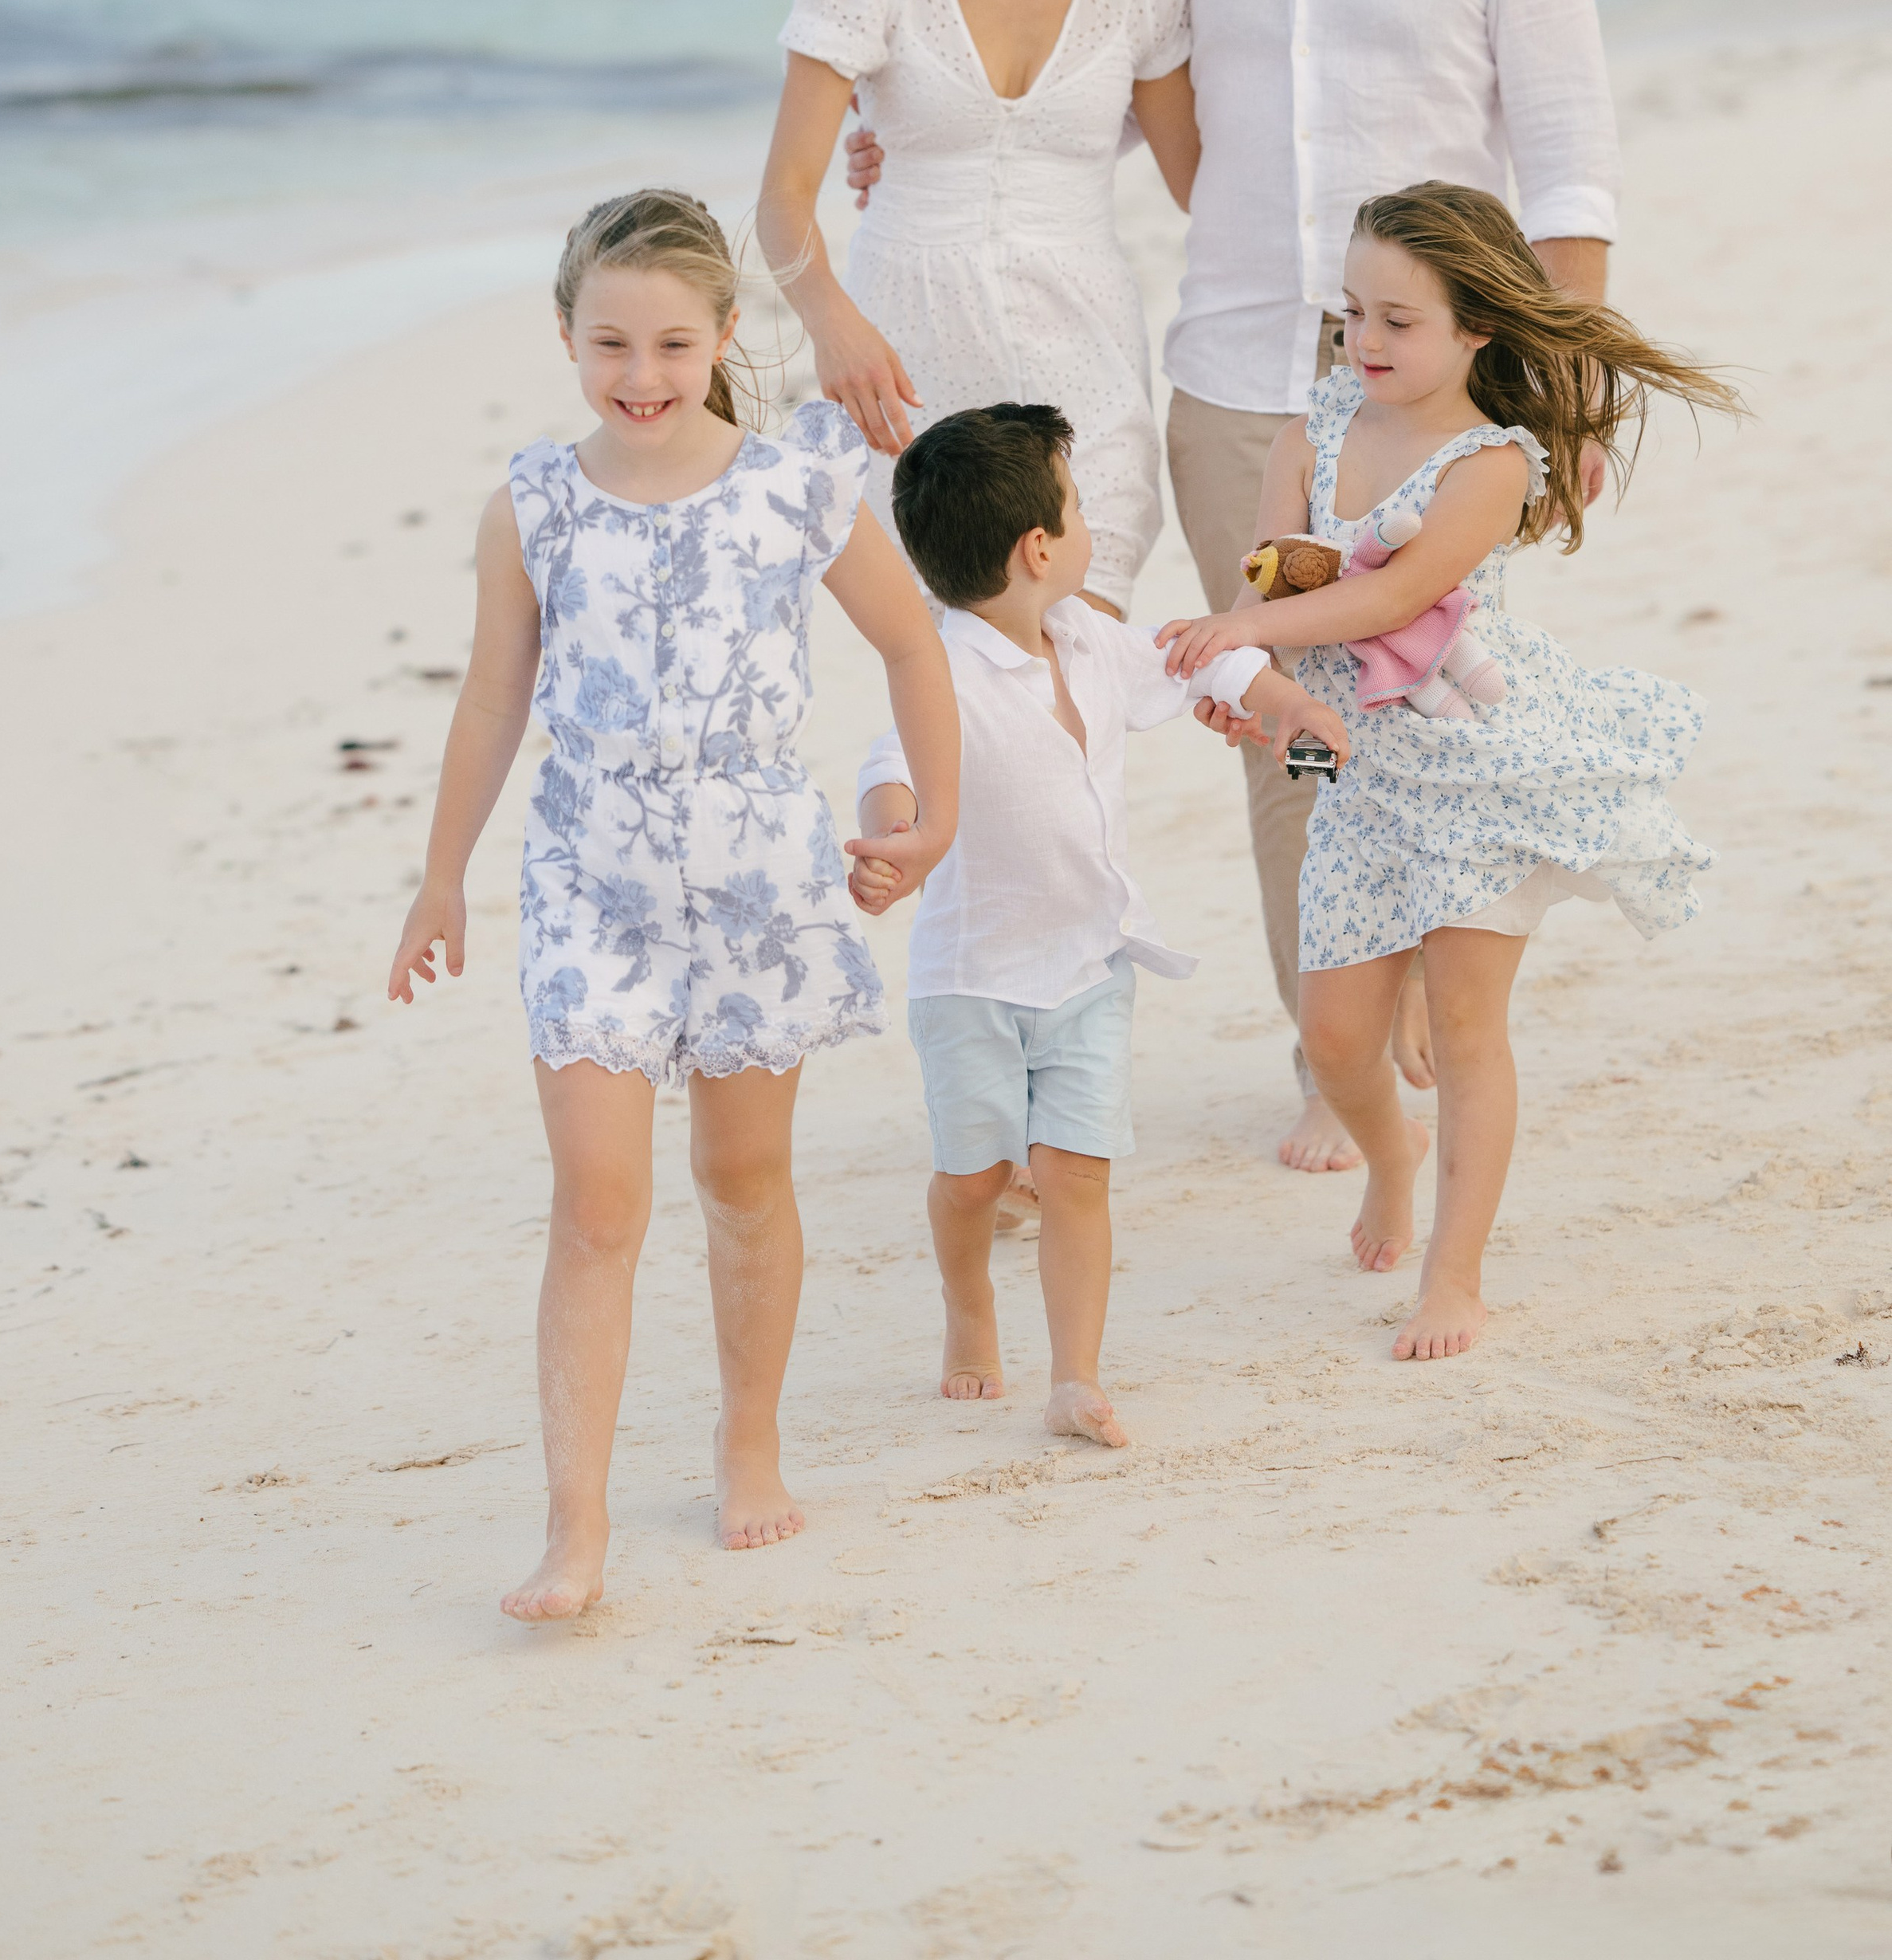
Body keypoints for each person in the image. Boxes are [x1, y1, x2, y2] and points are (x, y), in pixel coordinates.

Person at [850, 0, 1624, 1176]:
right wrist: (895, 138)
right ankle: (1325, 1043)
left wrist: (1572, 379)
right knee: (1278, 718)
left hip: (1437, 403)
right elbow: (1099, 95)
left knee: (1427, 715)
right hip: (1231, 382)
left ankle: (1431, 1017)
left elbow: (1563, 156)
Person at [387, 187, 960, 1624]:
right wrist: (441, 872)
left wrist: (933, 819)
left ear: (722, 337)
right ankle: (571, 1530)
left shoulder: (797, 488)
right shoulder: (531, 502)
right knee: (597, 1202)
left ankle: (746, 1442)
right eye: (611, 345)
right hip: (589, 885)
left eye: (671, 345)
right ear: (567, 336)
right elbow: (494, 697)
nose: (641, 377)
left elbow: (912, 644)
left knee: (745, 1182)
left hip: (758, 885)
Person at [1162, 181, 1738, 1364]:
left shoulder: (1494, 462)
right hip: (1363, 776)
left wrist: (1261, 637)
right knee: (1336, 1040)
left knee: (1469, 1027)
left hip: (1477, 769)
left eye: (1398, 321)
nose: (1366, 342)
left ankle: (1454, 1277)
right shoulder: (1313, 429)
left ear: (1476, 327)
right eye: (1351, 313)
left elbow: (1394, 594)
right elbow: (1272, 578)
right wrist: (1250, 681)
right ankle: (1391, 1158)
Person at [849, 403, 1348, 1445]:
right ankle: (969, 1305)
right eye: (1076, 506)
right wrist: (894, 839)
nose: (1085, 523)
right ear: (1040, 547)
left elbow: (1200, 660)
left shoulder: (1089, 636)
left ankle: (1074, 1374)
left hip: (1089, 963)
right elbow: (890, 769)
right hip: (973, 979)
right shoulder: (937, 673)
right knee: (975, 1177)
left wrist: (1280, 701)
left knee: (1076, 1171)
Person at [758, 0, 1198, 621]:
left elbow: (1197, 175)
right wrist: (833, 325)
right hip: (911, 362)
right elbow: (783, 197)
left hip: (1083, 350)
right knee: (946, 698)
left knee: (1083, 662)